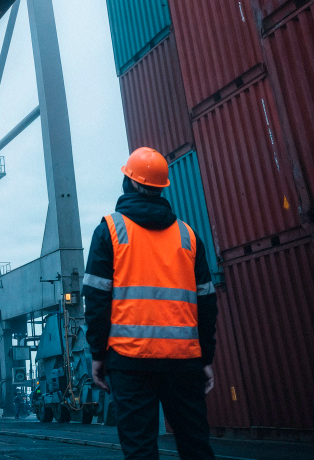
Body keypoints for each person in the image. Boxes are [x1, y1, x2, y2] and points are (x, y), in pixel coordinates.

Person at [82, 147, 218, 460]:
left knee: (140, 450)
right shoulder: (187, 235)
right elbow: (207, 303)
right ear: (161, 187)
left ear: (129, 183)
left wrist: (98, 355)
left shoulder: (110, 231)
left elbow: (96, 301)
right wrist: (206, 357)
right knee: (196, 447)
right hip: (184, 362)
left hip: (129, 361)